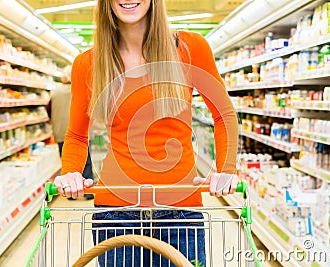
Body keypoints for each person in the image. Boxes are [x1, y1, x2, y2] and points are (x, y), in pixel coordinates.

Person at [54, 0, 239, 265]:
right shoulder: (88, 63)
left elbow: (223, 115)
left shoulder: (190, 49)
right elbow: (76, 135)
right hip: (115, 213)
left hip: (180, 213)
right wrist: (70, 171)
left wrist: (226, 168)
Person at [50, 65, 94, 200]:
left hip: (60, 130)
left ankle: (70, 192)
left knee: (66, 159)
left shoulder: (55, 92)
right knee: (86, 161)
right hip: (82, 131)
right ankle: (87, 190)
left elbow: (48, 110)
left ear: (64, 78)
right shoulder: (85, 89)